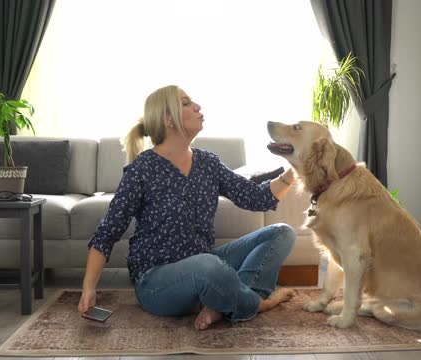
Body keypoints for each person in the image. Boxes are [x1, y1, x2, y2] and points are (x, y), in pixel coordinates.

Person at [78, 85, 298, 330]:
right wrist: (89, 288)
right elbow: (108, 232)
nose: (197, 107)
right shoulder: (142, 169)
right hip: (157, 281)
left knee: (282, 233)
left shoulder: (208, 162)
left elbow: (256, 198)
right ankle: (256, 303)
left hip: (206, 263)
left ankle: (223, 302)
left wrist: (295, 170)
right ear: (168, 119)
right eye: (186, 103)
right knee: (208, 266)